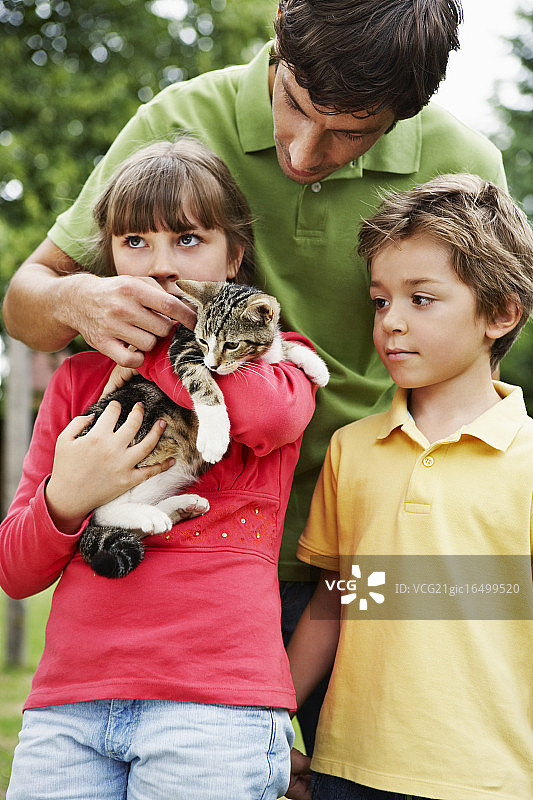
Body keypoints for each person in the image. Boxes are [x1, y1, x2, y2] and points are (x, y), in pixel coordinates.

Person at [2, 0, 508, 752]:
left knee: (369, 768)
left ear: (407, 111)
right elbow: (26, 302)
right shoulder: (181, 117)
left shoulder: (458, 160)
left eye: (350, 131)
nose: (304, 153)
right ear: (278, 32)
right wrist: (79, 295)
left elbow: (462, 365)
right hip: (194, 546)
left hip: (352, 545)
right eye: (294, 106)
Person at [0, 138, 323, 800]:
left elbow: (263, 419)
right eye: (135, 242)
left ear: (232, 255)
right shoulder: (78, 380)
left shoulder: (273, 360)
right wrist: (68, 498)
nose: (159, 265)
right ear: (108, 254)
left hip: (212, 706)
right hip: (70, 704)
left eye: (187, 238)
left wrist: (157, 344)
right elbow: (16, 569)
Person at [287, 174, 533, 799]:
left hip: (494, 778)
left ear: (501, 312)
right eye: (380, 301)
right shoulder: (352, 449)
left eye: (421, 299)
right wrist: (264, 717)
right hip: (349, 770)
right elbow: (335, 602)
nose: (391, 321)